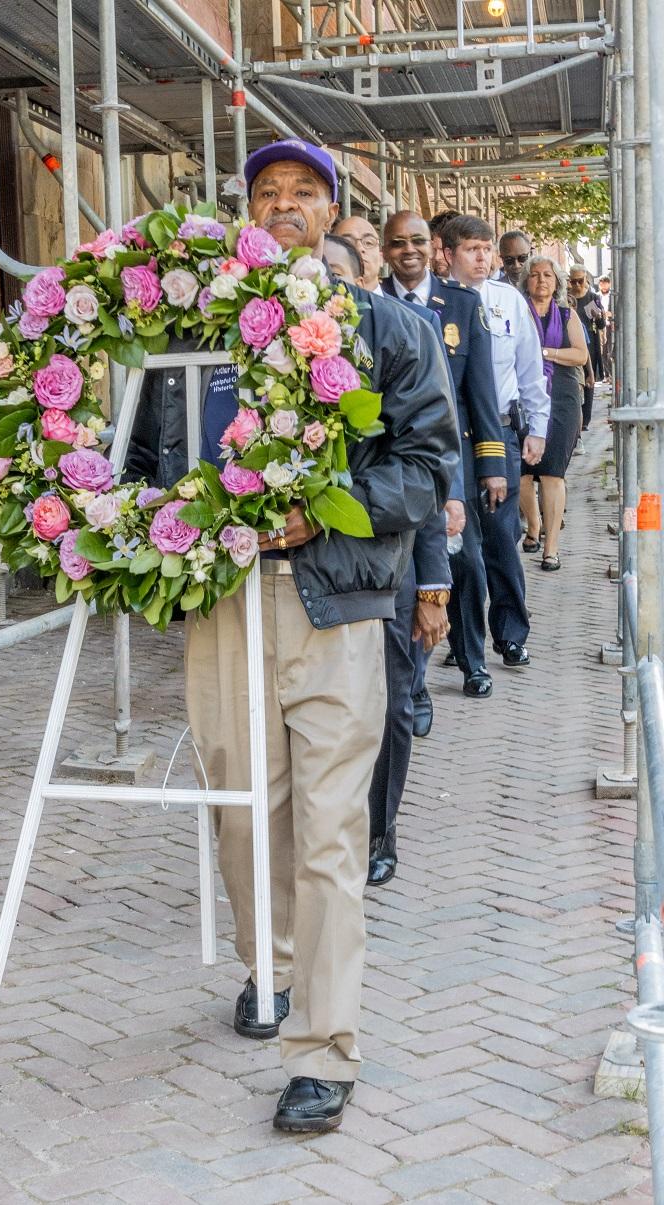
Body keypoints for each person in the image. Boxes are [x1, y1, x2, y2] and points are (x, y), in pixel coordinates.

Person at [125, 140, 459, 1133]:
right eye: (265, 192)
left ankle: (325, 1044)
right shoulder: (197, 334)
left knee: (325, 827)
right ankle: (266, 969)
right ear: (243, 212)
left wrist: (326, 510)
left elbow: (424, 465)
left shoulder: (385, 328)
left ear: (329, 209)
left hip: (333, 605)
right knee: (240, 812)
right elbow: (145, 455)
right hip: (220, 604)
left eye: (301, 193)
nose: (282, 205)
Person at [337, 214, 462, 888]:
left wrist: (436, 583)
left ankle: (379, 829)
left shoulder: (403, 333)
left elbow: (433, 474)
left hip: (397, 556)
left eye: (358, 250)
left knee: (388, 703)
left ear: (365, 272)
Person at [382, 210, 508, 700]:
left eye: (417, 241)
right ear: (387, 251)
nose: (407, 251)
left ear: (433, 248)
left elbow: (481, 393)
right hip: (390, 460)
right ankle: (413, 687)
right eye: (397, 243)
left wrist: (493, 465)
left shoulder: (459, 303)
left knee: (466, 562)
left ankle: (473, 661)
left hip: (448, 460)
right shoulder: (368, 303)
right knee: (406, 572)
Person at [442, 215, 549, 679]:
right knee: (459, 545)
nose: (483, 257)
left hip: (500, 433)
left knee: (501, 538)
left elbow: (530, 370)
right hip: (450, 435)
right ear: (447, 254)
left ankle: (510, 635)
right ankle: (464, 644)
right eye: (472, 249)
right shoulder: (435, 301)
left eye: (487, 249)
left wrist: (537, 427)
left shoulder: (508, 302)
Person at [518, 256, 588, 570]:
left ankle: (551, 548)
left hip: (561, 397)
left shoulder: (566, 313)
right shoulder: (518, 312)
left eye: (547, 275)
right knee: (521, 472)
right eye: (534, 275)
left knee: (552, 472)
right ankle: (533, 526)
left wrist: (545, 352)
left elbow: (580, 354)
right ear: (526, 281)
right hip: (523, 395)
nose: (541, 280)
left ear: (556, 282)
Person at [568, 267, 604, 431]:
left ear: (585, 279)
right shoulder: (567, 297)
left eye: (579, 281)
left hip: (589, 343)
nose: (576, 284)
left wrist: (599, 317)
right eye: (573, 281)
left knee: (589, 381)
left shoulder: (592, 297)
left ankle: (585, 421)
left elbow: (601, 325)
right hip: (570, 343)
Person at [429, 210, 461, 279]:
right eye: (433, 250)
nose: (437, 257)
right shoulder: (425, 286)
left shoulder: (483, 288)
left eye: (443, 250)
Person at [598, 274, 613, 379]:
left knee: (609, 350)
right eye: (601, 284)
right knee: (602, 350)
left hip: (610, 325)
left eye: (605, 283)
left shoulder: (612, 295)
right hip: (600, 325)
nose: (603, 286)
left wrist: (610, 314)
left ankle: (611, 374)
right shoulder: (596, 296)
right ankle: (606, 375)